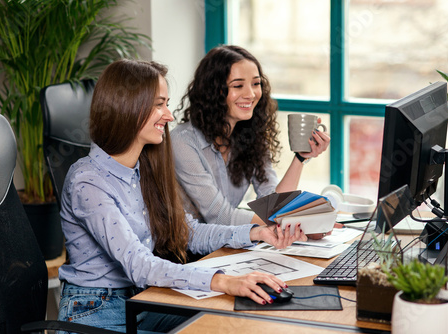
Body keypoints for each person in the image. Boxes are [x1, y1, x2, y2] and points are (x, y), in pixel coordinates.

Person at [56, 59, 307, 333]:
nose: (169, 115)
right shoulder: (88, 181)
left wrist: (256, 233)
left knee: (235, 322)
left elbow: (186, 231)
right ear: (128, 106)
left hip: (141, 299)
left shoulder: (144, 167)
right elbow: (139, 264)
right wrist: (222, 281)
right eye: (159, 104)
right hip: (95, 311)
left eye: (167, 103)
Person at [171, 45, 331, 231]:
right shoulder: (183, 142)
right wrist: (295, 222)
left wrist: (301, 157)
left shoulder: (250, 136)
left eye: (256, 84)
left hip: (229, 245)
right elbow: (221, 217)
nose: (251, 94)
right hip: (187, 254)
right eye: (238, 86)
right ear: (213, 91)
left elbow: (274, 204)